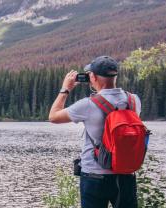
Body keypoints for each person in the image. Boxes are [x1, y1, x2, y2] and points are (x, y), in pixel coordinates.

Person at [48, 56, 142, 208]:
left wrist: (65, 89)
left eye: (90, 74)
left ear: (92, 76)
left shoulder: (88, 105)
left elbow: (53, 116)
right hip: (125, 175)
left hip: (94, 176)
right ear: (115, 75)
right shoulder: (133, 100)